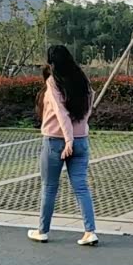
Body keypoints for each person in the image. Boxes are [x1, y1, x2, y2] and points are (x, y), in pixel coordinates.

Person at [28, 45, 98, 246]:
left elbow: (61, 112)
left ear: (52, 63)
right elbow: (90, 100)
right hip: (81, 140)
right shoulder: (82, 79)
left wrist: (68, 140)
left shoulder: (53, 81)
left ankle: (42, 231)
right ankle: (90, 231)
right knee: (81, 187)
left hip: (55, 141)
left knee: (49, 187)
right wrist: (81, 126)